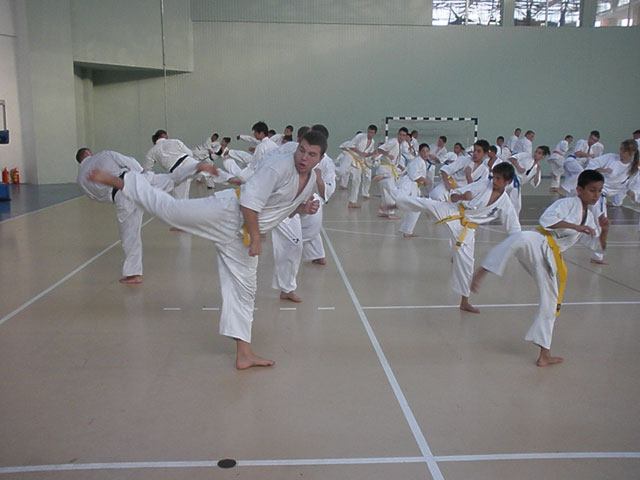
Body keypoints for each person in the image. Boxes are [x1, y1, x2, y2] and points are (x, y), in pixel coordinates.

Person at [86, 131, 327, 370]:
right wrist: (255, 238)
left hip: (240, 238)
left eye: (311, 154)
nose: (304, 157)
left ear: (321, 158)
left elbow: (282, 207)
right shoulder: (279, 167)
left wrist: (303, 209)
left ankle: (244, 354)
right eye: (302, 150)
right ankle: (124, 184)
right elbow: (249, 203)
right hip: (227, 213)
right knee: (172, 211)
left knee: (245, 291)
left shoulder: (309, 181)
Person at [472, 170, 610, 367]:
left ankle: (544, 354)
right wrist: (575, 227)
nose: (596, 195)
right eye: (592, 190)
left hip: (550, 257)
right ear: (579, 190)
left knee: (550, 302)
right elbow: (546, 220)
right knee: (518, 238)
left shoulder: (589, 219)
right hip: (539, 240)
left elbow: (596, 247)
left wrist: (604, 231)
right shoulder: (567, 204)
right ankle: (482, 272)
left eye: (599, 191)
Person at [397, 160, 521, 313]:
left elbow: (514, 228)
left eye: (498, 179)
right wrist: (463, 195)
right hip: (454, 211)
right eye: (494, 177)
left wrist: (520, 243)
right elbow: (454, 195)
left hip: (467, 229)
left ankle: (464, 302)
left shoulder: (505, 204)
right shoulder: (483, 185)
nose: (494, 181)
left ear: (507, 181)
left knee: (466, 264)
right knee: (427, 203)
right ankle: (397, 202)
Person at [76, 148, 214, 284]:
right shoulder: (104, 154)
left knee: (130, 236)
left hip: (120, 194)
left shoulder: (81, 179)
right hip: (136, 177)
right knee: (169, 179)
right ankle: (195, 168)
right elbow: (128, 161)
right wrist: (142, 173)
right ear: (88, 153)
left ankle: (134, 274)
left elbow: (95, 197)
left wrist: (112, 196)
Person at [585, 139, 639, 263]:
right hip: (596, 193)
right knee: (599, 222)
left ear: (632, 153)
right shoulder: (610, 158)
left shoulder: (634, 170)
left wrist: (633, 193)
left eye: (624, 151)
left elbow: (634, 186)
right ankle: (596, 255)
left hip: (605, 195)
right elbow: (591, 166)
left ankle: (596, 256)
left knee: (600, 223)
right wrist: (601, 170)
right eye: (621, 149)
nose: (621, 152)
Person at [143, 130, 200, 202]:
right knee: (210, 174)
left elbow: (147, 169)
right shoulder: (175, 141)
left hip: (177, 171)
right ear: (162, 135)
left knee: (179, 199)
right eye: (166, 135)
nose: (167, 136)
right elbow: (190, 153)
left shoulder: (152, 152)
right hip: (191, 162)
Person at [368, 127, 409, 219]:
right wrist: (387, 154)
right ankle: (390, 213)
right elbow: (380, 149)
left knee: (385, 192)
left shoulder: (399, 145)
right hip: (385, 170)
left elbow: (394, 161)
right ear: (398, 134)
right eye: (400, 134)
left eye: (404, 135)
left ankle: (383, 212)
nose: (401, 137)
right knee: (392, 190)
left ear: (406, 137)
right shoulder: (393, 141)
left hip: (387, 169)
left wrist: (401, 167)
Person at [340, 125, 377, 208]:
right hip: (350, 156)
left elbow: (367, 153)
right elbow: (350, 146)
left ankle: (352, 202)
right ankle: (331, 170)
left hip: (358, 161)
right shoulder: (360, 136)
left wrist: (372, 154)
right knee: (341, 172)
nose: (369, 134)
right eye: (369, 132)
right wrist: (360, 152)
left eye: (372, 133)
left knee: (357, 181)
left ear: (375, 133)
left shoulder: (372, 142)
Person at [398, 143, 430, 237]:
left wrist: (423, 181)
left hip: (412, 186)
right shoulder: (418, 161)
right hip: (408, 184)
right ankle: (407, 231)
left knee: (413, 209)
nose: (425, 153)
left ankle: (407, 231)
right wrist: (424, 180)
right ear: (419, 152)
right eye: (423, 151)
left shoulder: (422, 161)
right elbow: (413, 175)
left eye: (427, 151)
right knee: (415, 208)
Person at [506, 145, 550, 214]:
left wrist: (538, 171)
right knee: (500, 195)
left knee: (517, 205)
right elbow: (512, 158)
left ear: (543, 156)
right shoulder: (526, 155)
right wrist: (519, 167)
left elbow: (535, 183)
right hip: (510, 176)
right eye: (536, 152)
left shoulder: (537, 168)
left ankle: (512, 219)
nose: (536, 154)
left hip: (517, 184)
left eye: (539, 153)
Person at [558, 131, 604, 196]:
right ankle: (562, 188)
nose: (592, 141)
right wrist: (590, 155)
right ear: (589, 136)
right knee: (580, 173)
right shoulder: (582, 142)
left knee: (576, 181)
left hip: (577, 165)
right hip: (571, 161)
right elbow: (577, 153)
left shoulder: (593, 149)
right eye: (592, 138)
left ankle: (569, 196)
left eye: (595, 141)